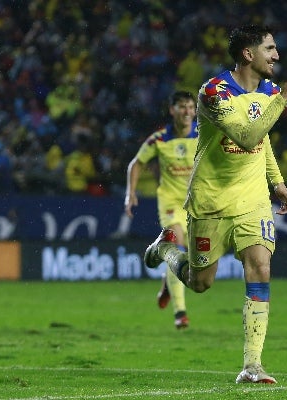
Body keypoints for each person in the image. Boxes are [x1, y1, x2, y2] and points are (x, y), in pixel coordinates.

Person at [143, 24, 287, 384]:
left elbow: (262, 142)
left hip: (252, 200)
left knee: (260, 266)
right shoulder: (214, 92)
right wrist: (285, 100)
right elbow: (246, 136)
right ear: (248, 54)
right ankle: (167, 250)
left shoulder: (270, 90)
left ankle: (252, 365)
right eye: (270, 49)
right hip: (211, 201)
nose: (277, 56)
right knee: (200, 283)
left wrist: (276, 182)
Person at [125, 91, 198, 329]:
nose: (187, 112)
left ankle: (168, 284)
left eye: (190, 107)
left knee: (193, 259)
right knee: (175, 245)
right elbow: (136, 164)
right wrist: (131, 193)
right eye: (182, 107)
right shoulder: (159, 139)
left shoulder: (204, 134)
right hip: (170, 203)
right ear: (172, 110)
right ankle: (180, 312)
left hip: (197, 203)